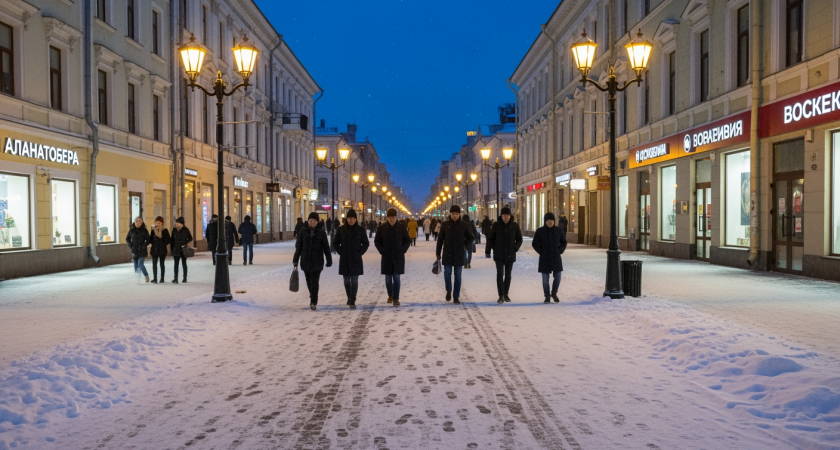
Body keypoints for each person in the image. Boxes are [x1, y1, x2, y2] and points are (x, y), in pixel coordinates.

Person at [293, 212, 332, 310]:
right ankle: (312, 295)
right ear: (308, 221)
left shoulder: (321, 233)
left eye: (314, 221)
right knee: (308, 281)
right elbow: (299, 246)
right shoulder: (303, 231)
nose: (312, 222)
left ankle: (313, 301)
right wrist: (296, 259)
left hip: (317, 261)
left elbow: (326, 247)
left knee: (315, 281)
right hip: (305, 260)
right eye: (310, 220)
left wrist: (329, 259)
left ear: (317, 222)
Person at [435, 205, 474, 304]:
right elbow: (440, 239)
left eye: (456, 214)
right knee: (447, 273)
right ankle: (449, 290)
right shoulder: (445, 224)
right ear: (450, 214)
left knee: (458, 276)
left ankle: (456, 296)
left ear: (459, 214)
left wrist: (464, 246)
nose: (455, 216)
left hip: (459, 253)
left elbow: (471, 237)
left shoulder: (464, 224)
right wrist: (438, 253)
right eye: (453, 214)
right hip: (447, 252)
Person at [485, 207, 523, 303]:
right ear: (501, 216)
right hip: (499, 254)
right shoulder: (496, 225)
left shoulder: (514, 225)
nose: (506, 217)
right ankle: (500, 295)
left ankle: (506, 293)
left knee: (508, 275)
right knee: (500, 273)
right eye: (504, 215)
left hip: (510, 254)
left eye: (507, 215)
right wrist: (492, 248)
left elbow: (519, 239)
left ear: (510, 216)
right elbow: (490, 238)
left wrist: (515, 247)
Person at [333, 209, 369, 309]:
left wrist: (359, 252)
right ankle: (349, 297)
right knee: (346, 281)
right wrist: (341, 252)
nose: (351, 220)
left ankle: (352, 299)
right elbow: (335, 243)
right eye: (349, 218)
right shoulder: (341, 230)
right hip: (345, 259)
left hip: (356, 259)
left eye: (353, 219)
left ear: (356, 219)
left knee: (354, 280)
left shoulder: (360, 230)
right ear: (346, 219)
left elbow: (365, 243)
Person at [375, 208, 411, 307]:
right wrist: (382, 251)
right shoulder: (382, 228)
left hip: (398, 256)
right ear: (387, 218)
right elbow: (377, 241)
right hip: (387, 257)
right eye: (390, 218)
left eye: (394, 218)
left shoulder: (401, 227)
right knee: (388, 278)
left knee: (396, 277)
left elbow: (407, 240)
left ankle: (396, 298)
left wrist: (403, 249)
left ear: (396, 217)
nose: (392, 220)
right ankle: (390, 295)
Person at [532, 212, 568, 303]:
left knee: (558, 277)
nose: (550, 222)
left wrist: (560, 250)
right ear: (545, 221)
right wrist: (541, 251)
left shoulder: (558, 230)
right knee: (545, 279)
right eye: (548, 221)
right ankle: (547, 295)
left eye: (551, 221)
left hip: (556, 257)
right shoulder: (540, 231)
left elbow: (564, 242)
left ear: (554, 221)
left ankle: (554, 293)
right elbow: (535, 243)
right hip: (545, 258)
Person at [126, 217, 150, 283]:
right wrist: (131, 245)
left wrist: (143, 245)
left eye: (140, 222)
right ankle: (138, 278)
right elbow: (127, 238)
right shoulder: (131, 230)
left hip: (142, 250)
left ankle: (146, 275)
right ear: (134, 222)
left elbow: (148, 240)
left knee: (140, 264)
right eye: (137, 222)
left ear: (142, 223)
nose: (138, 223)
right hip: (134, 250)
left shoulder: (144, 230)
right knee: (135, 265)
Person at [170, 216, 193, 284]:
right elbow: (172, 240)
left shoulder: (185, 229)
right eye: (176, 222)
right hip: (176, 248)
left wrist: (185, 243)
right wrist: (172, 249)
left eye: (178, 222)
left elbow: (190, 238)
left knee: (184, 263)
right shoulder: (174, 230)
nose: (176, 224)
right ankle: (175, 278)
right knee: (176, 264)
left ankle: (184, 278)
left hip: (183, 249)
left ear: (181, 223)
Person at [149, 216, 171, 283]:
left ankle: (162, 278)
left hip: (162, 249)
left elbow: (169, 239)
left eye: (159, 222)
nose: (157, 224)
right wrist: (152, 243)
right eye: (156, 222)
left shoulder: (165, 230)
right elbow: (150, 239)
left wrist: (163, 244)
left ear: (162, 223)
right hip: (154, 249)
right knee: (154, 264)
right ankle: (155, 278)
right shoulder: (153, 230)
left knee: (162, 264)